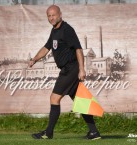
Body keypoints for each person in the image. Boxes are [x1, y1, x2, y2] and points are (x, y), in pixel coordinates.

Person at [29, 5, 101, 140]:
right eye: (49, 16)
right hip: (67, 69)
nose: (51, 18)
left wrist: (81, 69)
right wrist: (34, 59)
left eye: (53, 15)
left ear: (60, 14)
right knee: (80, 100)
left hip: (71, 69)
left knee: (54, 98)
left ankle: (48, 133)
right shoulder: (54, 31)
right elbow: (46, 48)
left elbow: (78, 50)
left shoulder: (67, 30)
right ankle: (94, 132)